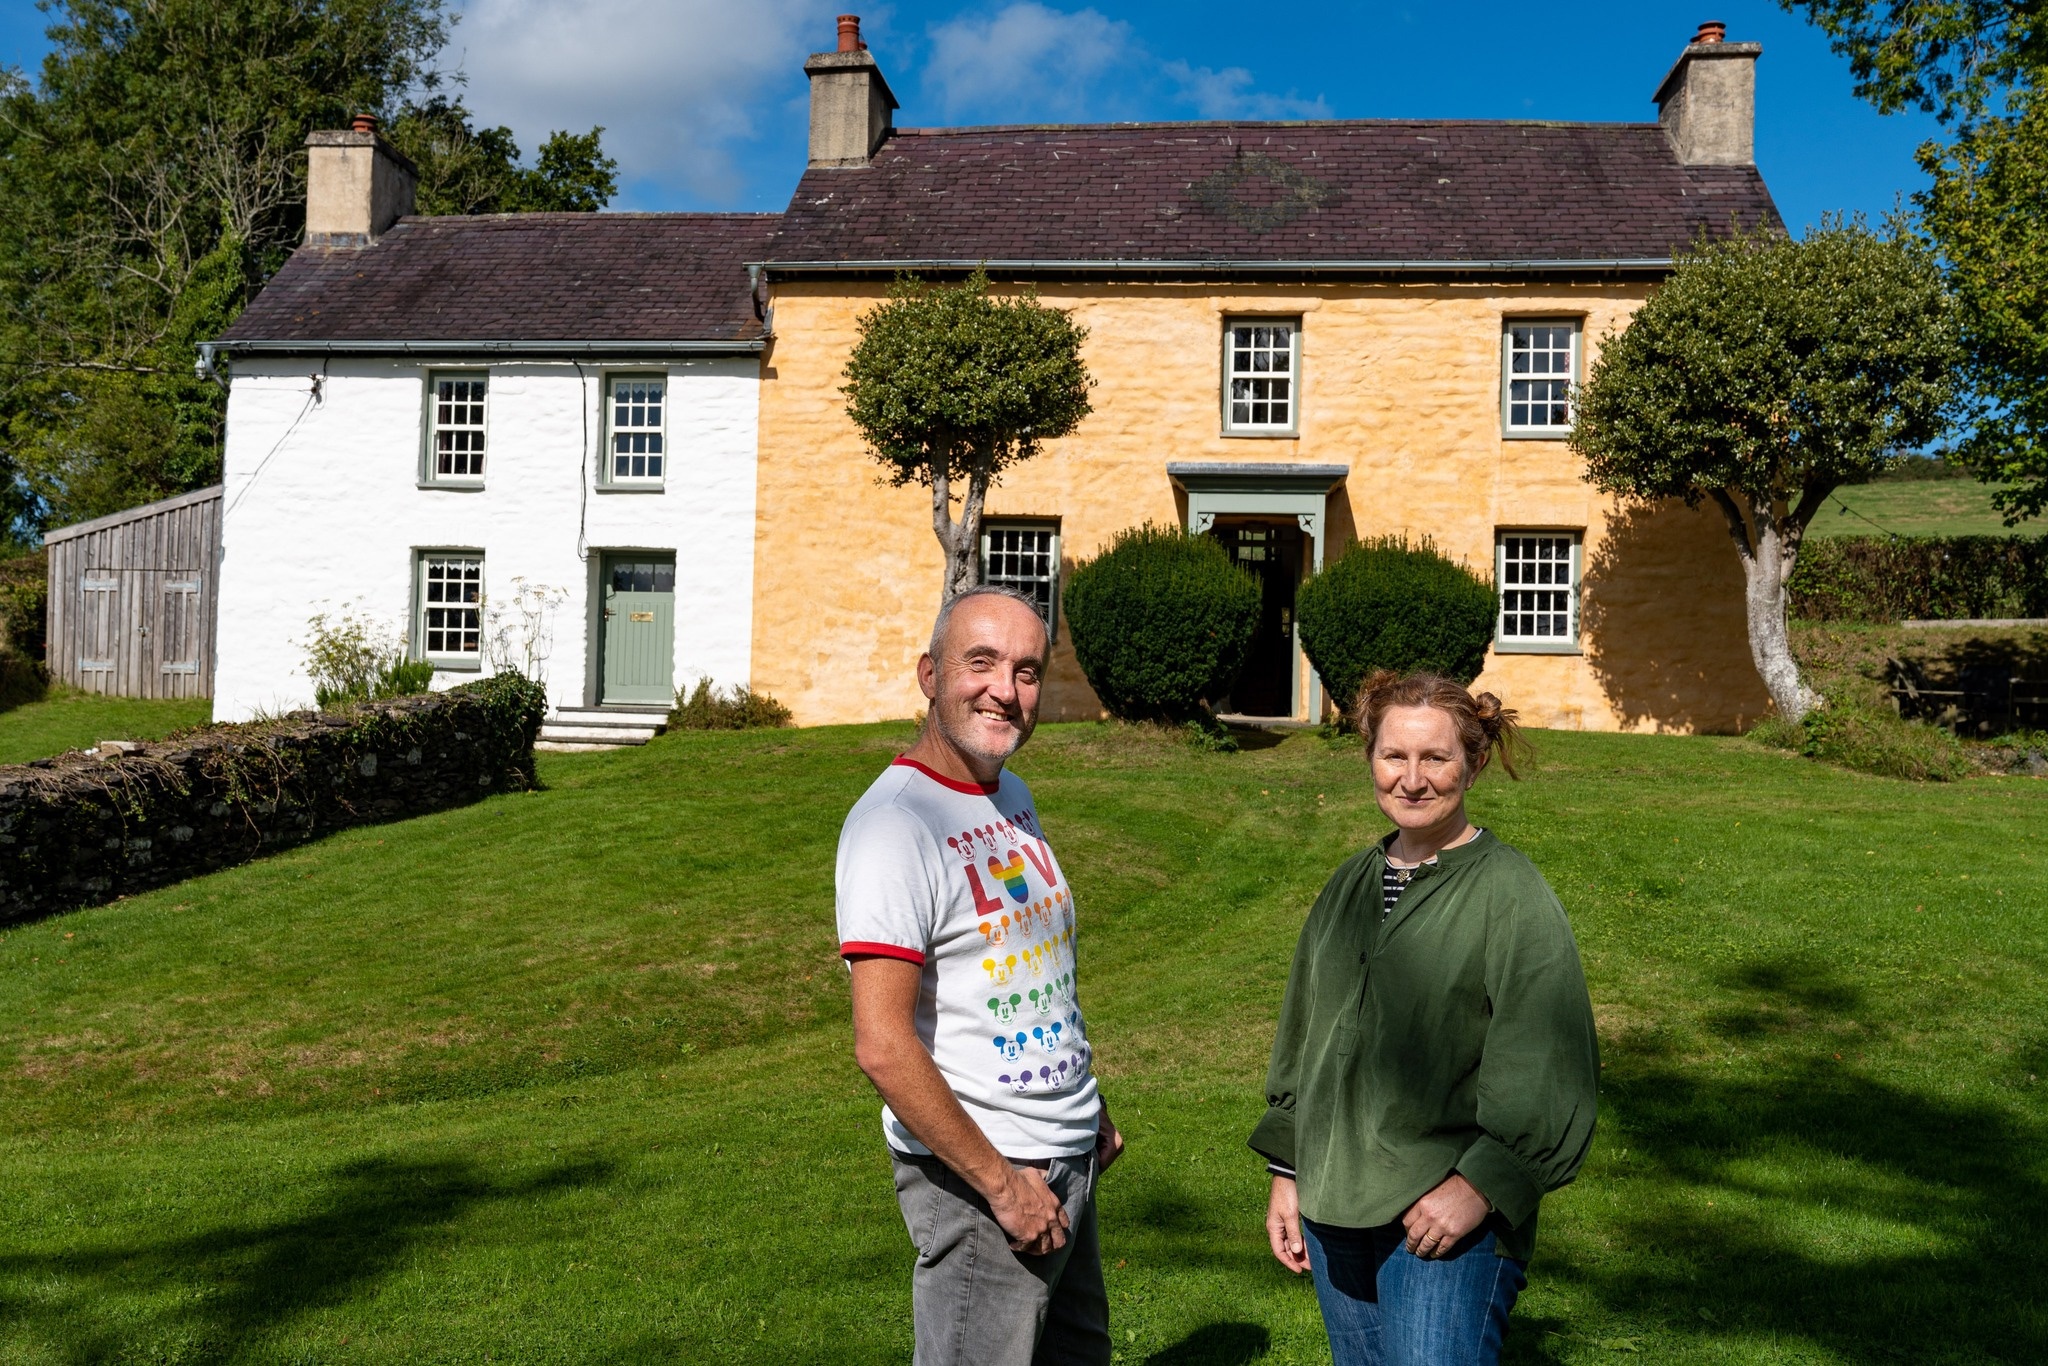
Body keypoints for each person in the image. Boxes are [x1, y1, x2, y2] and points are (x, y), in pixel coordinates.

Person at [1250, 670, 1599, 1366]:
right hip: (1333, 1207)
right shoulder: (1350, 883)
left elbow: (1549, 1066)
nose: (1412, 779)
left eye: (1435, 758)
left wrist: (1482, 1187)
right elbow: (1304, 1035)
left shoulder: (1511, 895)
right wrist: (1289, 1170)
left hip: (1443, 1221)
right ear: (1371, 760)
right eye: (1394, 756)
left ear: (1471, 762)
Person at [838, 585, 1124, 1366]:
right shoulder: (896, 825)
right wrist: (1003, 1187)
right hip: (985, 1185)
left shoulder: (1009, 796)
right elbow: (883, 1045)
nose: (1006, 689)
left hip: (1064, 1154)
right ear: (930, 675)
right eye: (982, 662)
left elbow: (1033, 968)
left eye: (1027, 670)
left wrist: (1081, 1103)